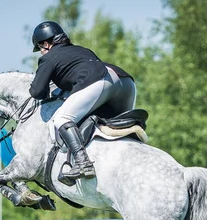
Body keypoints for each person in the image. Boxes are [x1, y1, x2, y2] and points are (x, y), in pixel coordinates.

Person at [29, 21, 137, 181]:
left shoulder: (48, 58)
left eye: (39, 48)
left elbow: (37, 91)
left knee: (62, 119)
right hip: (125, 81)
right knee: (113, 126)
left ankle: (82, 163)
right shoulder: (81, 50)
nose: (41, 53)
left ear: (46, 43)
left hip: (99, 81)